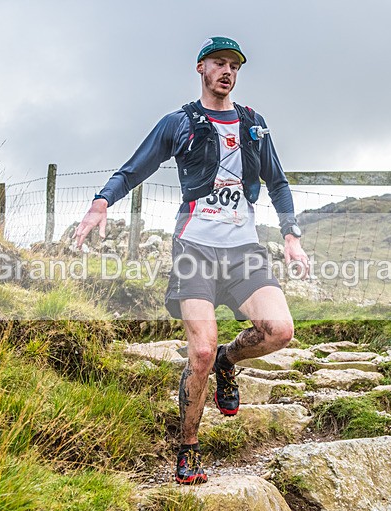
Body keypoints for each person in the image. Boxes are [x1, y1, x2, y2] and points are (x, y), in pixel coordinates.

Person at [74, 36, 308, 485]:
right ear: (200, 68)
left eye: (234, 66)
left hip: (244, 251)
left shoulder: (254, 125)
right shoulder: (180, 122)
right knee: (198, 351)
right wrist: (102, 201)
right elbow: (135, 167)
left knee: (279, 331)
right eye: (219, 63)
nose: (227, 71)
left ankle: (228, 361)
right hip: (194, 250)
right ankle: (188, 446)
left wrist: (291, 235)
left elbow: (277, 182)